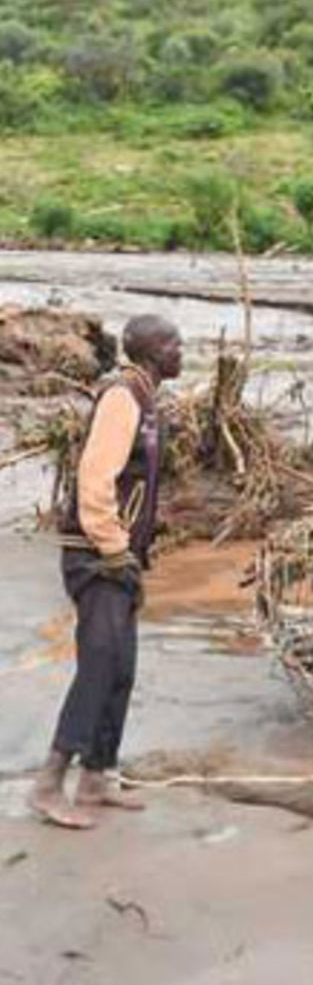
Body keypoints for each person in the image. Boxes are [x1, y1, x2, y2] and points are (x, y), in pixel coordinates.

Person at [29, 314, 182, 829]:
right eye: (170, 342)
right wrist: (115, 548)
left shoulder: (146, 396)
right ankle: (49, 784)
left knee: (121, 667)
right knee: (99, 665)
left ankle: (97, 775)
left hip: (117, 554)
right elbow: (96, 477)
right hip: (96, 555)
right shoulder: (122, 397)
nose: (180, 349)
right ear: (145, 352)